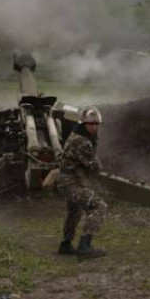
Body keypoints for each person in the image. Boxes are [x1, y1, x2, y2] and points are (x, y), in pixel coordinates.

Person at [56, 106, 108, 260]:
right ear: (83, 124)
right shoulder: (82, 142)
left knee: (75, 211)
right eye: (90, 124)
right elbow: (95, 167)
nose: (94, 127)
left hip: (67, 181)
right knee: (99, 206)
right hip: (71, 183)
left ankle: (65, 244)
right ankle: (84, 246)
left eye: (96, 124)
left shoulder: (75, 135)